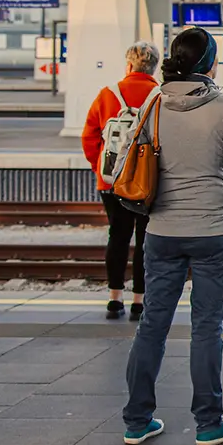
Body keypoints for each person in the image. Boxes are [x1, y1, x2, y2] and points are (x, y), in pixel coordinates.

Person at [121, 27, 223, 445]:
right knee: (206, 328)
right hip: (214, 232)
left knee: (152, 326)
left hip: (161, 230)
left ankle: (137, 420)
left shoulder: (153, 103)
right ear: (209, 64)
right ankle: (208, 423)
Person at [82, 42, 160, 321]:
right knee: (145, 240)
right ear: (153, 68)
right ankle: (139, 301)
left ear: (128, 66)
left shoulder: (107, 95)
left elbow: (89, 136)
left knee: (118, 236)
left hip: (111, 183)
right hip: (147, 182)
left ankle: (115, 298)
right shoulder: (159, 96)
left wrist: (101, 169)